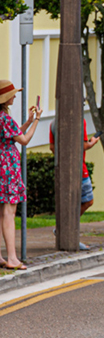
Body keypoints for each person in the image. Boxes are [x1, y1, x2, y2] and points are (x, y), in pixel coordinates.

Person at [0, 80, 41, 270]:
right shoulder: (4, 119)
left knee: (2, 212)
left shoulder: (2, 118)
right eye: (13, 94)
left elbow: (14, 134)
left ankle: (2, 257)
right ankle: (13, 258)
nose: (15, 96)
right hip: (7, 167)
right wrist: (37, 121)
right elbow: (23, 140)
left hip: (2, 166)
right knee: (9, 213)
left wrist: (28, 121)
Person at [49, 119, 99, 251]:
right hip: (79, 169)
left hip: (63, 169)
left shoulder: (54, 123)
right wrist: (92, 143)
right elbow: (83, 146)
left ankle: (63, 228)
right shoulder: (79, 120)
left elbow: (52, 147)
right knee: (88, 201)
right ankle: (65, 229)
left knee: (71, 202)